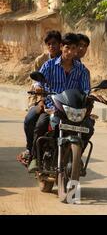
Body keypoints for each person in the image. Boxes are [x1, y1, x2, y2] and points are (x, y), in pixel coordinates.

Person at [27, 33, 91, 173]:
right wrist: (38, 87)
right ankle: (35, 158)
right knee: (41, 125)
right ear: (62, 47)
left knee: (89, 127)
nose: (70, 52)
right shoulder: (49, 65)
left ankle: (77, 156)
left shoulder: (82, 70)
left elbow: (86, 89)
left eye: (74, 48)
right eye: (67, 48)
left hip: (73, 111)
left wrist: (92, 95)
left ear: (76, 50)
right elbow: (39, 80)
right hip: (52, 107)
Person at [17, 30, 62, 166]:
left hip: (62, 101)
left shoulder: (69, 59)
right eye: (48, 44)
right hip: (42, 98)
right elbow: (37, 82)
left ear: (60, 44)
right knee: (30, 119)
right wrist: (41, 99)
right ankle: (30, 150)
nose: (51, 46)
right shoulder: (42, 61)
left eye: (54, 43)